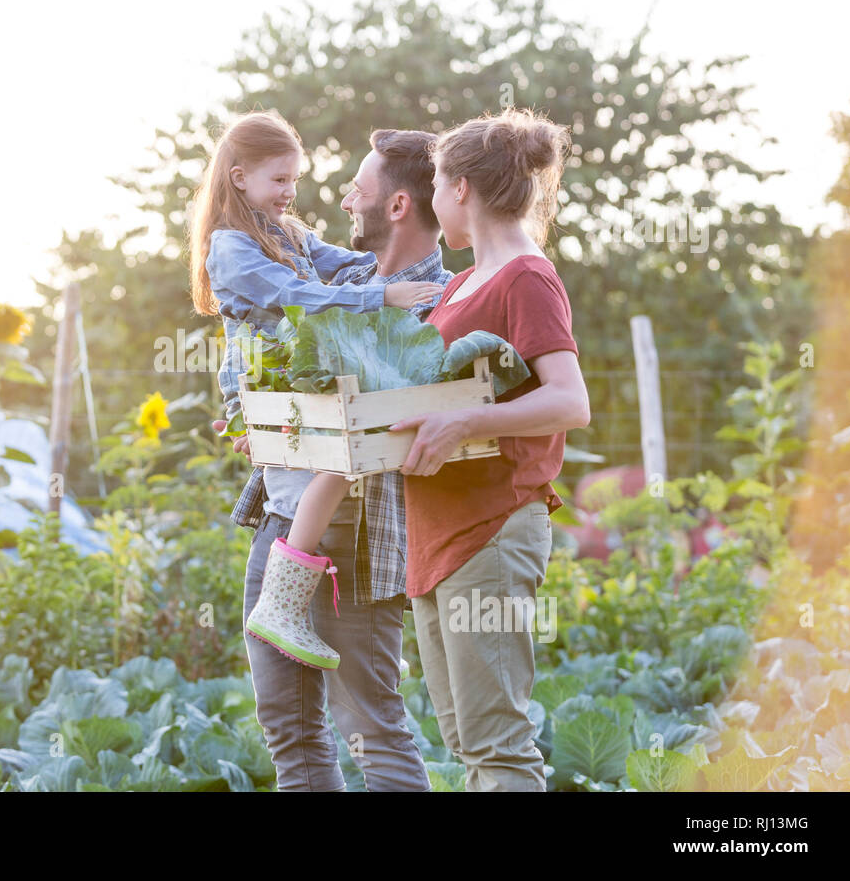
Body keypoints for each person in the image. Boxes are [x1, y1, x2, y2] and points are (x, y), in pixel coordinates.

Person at [197, 114, 450, 790]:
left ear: (396, 205)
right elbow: (298, 299)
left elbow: (341, 279)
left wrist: (388, 290)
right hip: (284, 509)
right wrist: (378, 293)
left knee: (371, 724)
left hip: (349, 522)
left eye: (352, 187)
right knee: (290, 725)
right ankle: (283, 602)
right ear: (240, 176)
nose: (326, 198)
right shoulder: (240, 246)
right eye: (285, 179)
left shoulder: (413, 297)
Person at [388, 107, 592, 791]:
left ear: (462, 190)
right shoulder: (463, 283)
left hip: (492, 529)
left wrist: (466, 427)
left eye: (438, 186)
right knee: (470, 744)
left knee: (498, 751)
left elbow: (570, 401)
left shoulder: (525, 277)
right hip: (439, 531)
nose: (433, 202)